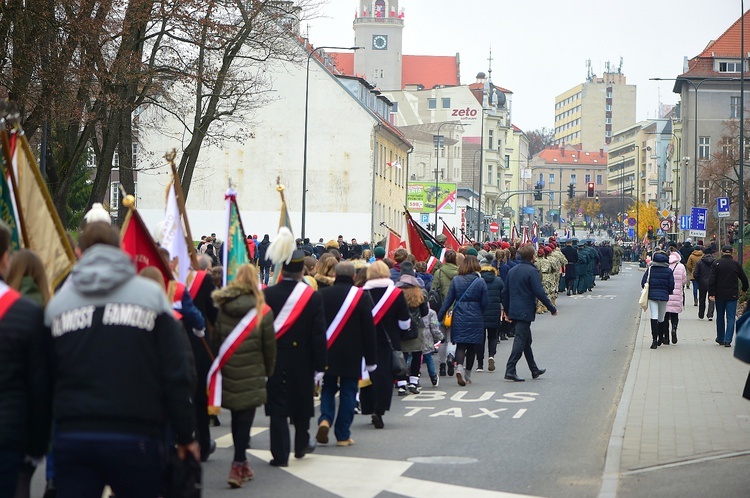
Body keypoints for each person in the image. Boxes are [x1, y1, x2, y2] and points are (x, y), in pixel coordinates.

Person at [46, 221, 198, 497]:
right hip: (137, 434)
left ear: (79, 252)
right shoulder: (151, 297)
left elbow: (43, 375)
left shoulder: (58, 305)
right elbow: (176, 372)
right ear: (120, 250)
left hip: (74, 434)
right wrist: (186, 434)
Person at [211, 264, 276, 486]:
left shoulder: (223, 307)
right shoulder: (262, 309)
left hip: (229, 368)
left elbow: (217, 341)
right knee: (245, 419)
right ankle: (238, 464)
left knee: (236, 417)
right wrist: (268, 371)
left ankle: (243, 462)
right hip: (254, 370)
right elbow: (269, 347)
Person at [263, 241, 326, 466]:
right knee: (301, 403)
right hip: (303, 360)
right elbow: (318, 335)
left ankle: (280, 455)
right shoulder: (313, 297)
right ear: (302, 270)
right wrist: (320, 366)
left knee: (278, 407)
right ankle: (300, 445)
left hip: (274, 358)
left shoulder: (268, 294)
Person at [0, 226, 51, 498]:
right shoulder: (28, 314)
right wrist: (37, 446)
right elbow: (39, 385)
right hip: (7, 436)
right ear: (4, 258)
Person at [317, 262, 377, 446]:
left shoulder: (321, 295)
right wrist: (370, 359)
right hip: (352, 353)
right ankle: (342, 435)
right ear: (353, 276)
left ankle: (325, 419)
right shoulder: (361, 297)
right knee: (349, 392)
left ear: (335, 275)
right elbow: (369, 330)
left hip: (327, 351)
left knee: (328, 388)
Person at [361, 261, 411, 427]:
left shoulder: (360, 294)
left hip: (365, 341)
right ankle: (380, 410)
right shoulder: (396, 294)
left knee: (368, 376)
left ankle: (368, 406)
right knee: (385, 376)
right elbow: (405, 322)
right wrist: (398, 336)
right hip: (390, 341)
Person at [501, 244, 557, 382]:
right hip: (525, 310)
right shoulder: (532, 271)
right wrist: (551, 308)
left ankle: (534, 369)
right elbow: (539, 292)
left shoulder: (512, 271)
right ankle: (510, 369)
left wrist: (507, 311)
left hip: (515, 310)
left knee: (526, 340)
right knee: (520, 340)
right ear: (533, 257)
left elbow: (505, 293)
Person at [437, 254, 489, 386]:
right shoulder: (480, 281)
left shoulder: (456, 280)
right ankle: (467, 374)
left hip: (459, 314)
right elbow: (485, 302)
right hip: (475, 315)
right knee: (472, 347)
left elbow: (449, 300)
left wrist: (440, 315)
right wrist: (479, 312)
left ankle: (459, 367)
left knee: (460, 345)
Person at [709, 245, 749, 347]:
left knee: (720, 316)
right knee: (731, 317)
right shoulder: (736, 264)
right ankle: (728, 340)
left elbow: (712, 280)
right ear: (732, 252)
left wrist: (711, 293)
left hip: (719, 295)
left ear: (722, 252)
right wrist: (744, 290)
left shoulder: (717, 264)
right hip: (732, 294)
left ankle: (720, 338)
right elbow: (744, 280)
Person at [432, 250, 459, 376]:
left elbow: (433, 290)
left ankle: (442, 365)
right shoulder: (459, 273)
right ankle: (450, 356)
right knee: (452, 338)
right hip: (456, 309)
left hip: (442, 308)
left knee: (442, 339)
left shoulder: (439, 272)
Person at [641, 250, 675, 349]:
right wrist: (668, 291)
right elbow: (671, 285)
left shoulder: (650, 269)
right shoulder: (668, 270)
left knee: (654, 316)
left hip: (652, 295)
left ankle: (654, 340)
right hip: (664, 296)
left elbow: (643, 282)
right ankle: (661, 338)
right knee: (662, 317)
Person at [477, 254, 503, 372]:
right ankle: (491, 355)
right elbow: (503, 296)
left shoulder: (477, 280)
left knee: (480, 339)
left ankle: (480, 364)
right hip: (494, 311)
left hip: (480, 312)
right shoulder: (498, 280)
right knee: (493, 336)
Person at [665, 246, 687, 345]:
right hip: (677, 294)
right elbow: (684, 281)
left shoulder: (665, 265)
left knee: (665, 315)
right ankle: (674, 328)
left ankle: (666, 337)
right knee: (675, 315)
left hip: (666, 293)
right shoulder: (681, 266)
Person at [692, 247, 716, 321]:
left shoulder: (700, 262)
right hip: (712, 283)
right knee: (711, 298)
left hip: (702, 283)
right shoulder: (715, 262)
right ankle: (710, 315)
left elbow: (695, 274)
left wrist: (698, 280)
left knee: (702, 299)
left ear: (704, 253)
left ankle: (701, 315)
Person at [685, 242, 704, 307]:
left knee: (695, 288)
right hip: (702, 274)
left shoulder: (691, 256)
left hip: (694, 273)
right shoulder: (703, 255)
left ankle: (695, 299)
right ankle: (702, 300)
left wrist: (691, 270)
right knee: (701, 288)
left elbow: (688, 265)